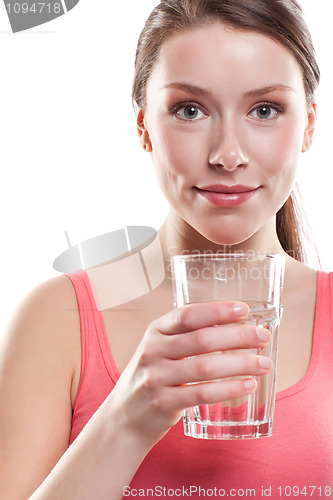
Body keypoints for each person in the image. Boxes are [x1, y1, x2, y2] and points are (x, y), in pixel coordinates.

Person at [0, 0, 332, 498]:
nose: (228, 155)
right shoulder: (59, 317)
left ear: (307, 125)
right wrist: (126, 422)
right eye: (189, 110)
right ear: (143, 129)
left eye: (265, 110)